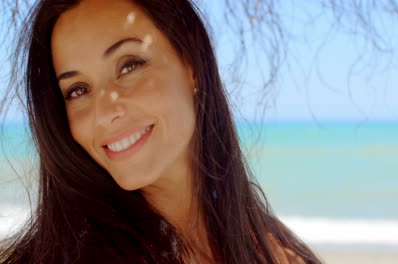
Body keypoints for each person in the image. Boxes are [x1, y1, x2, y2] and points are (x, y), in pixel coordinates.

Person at [0, 0, 323, 263]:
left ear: (190, 61)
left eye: (129, 66)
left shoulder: (269, 246)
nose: (105, 112)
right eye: (78, 90)